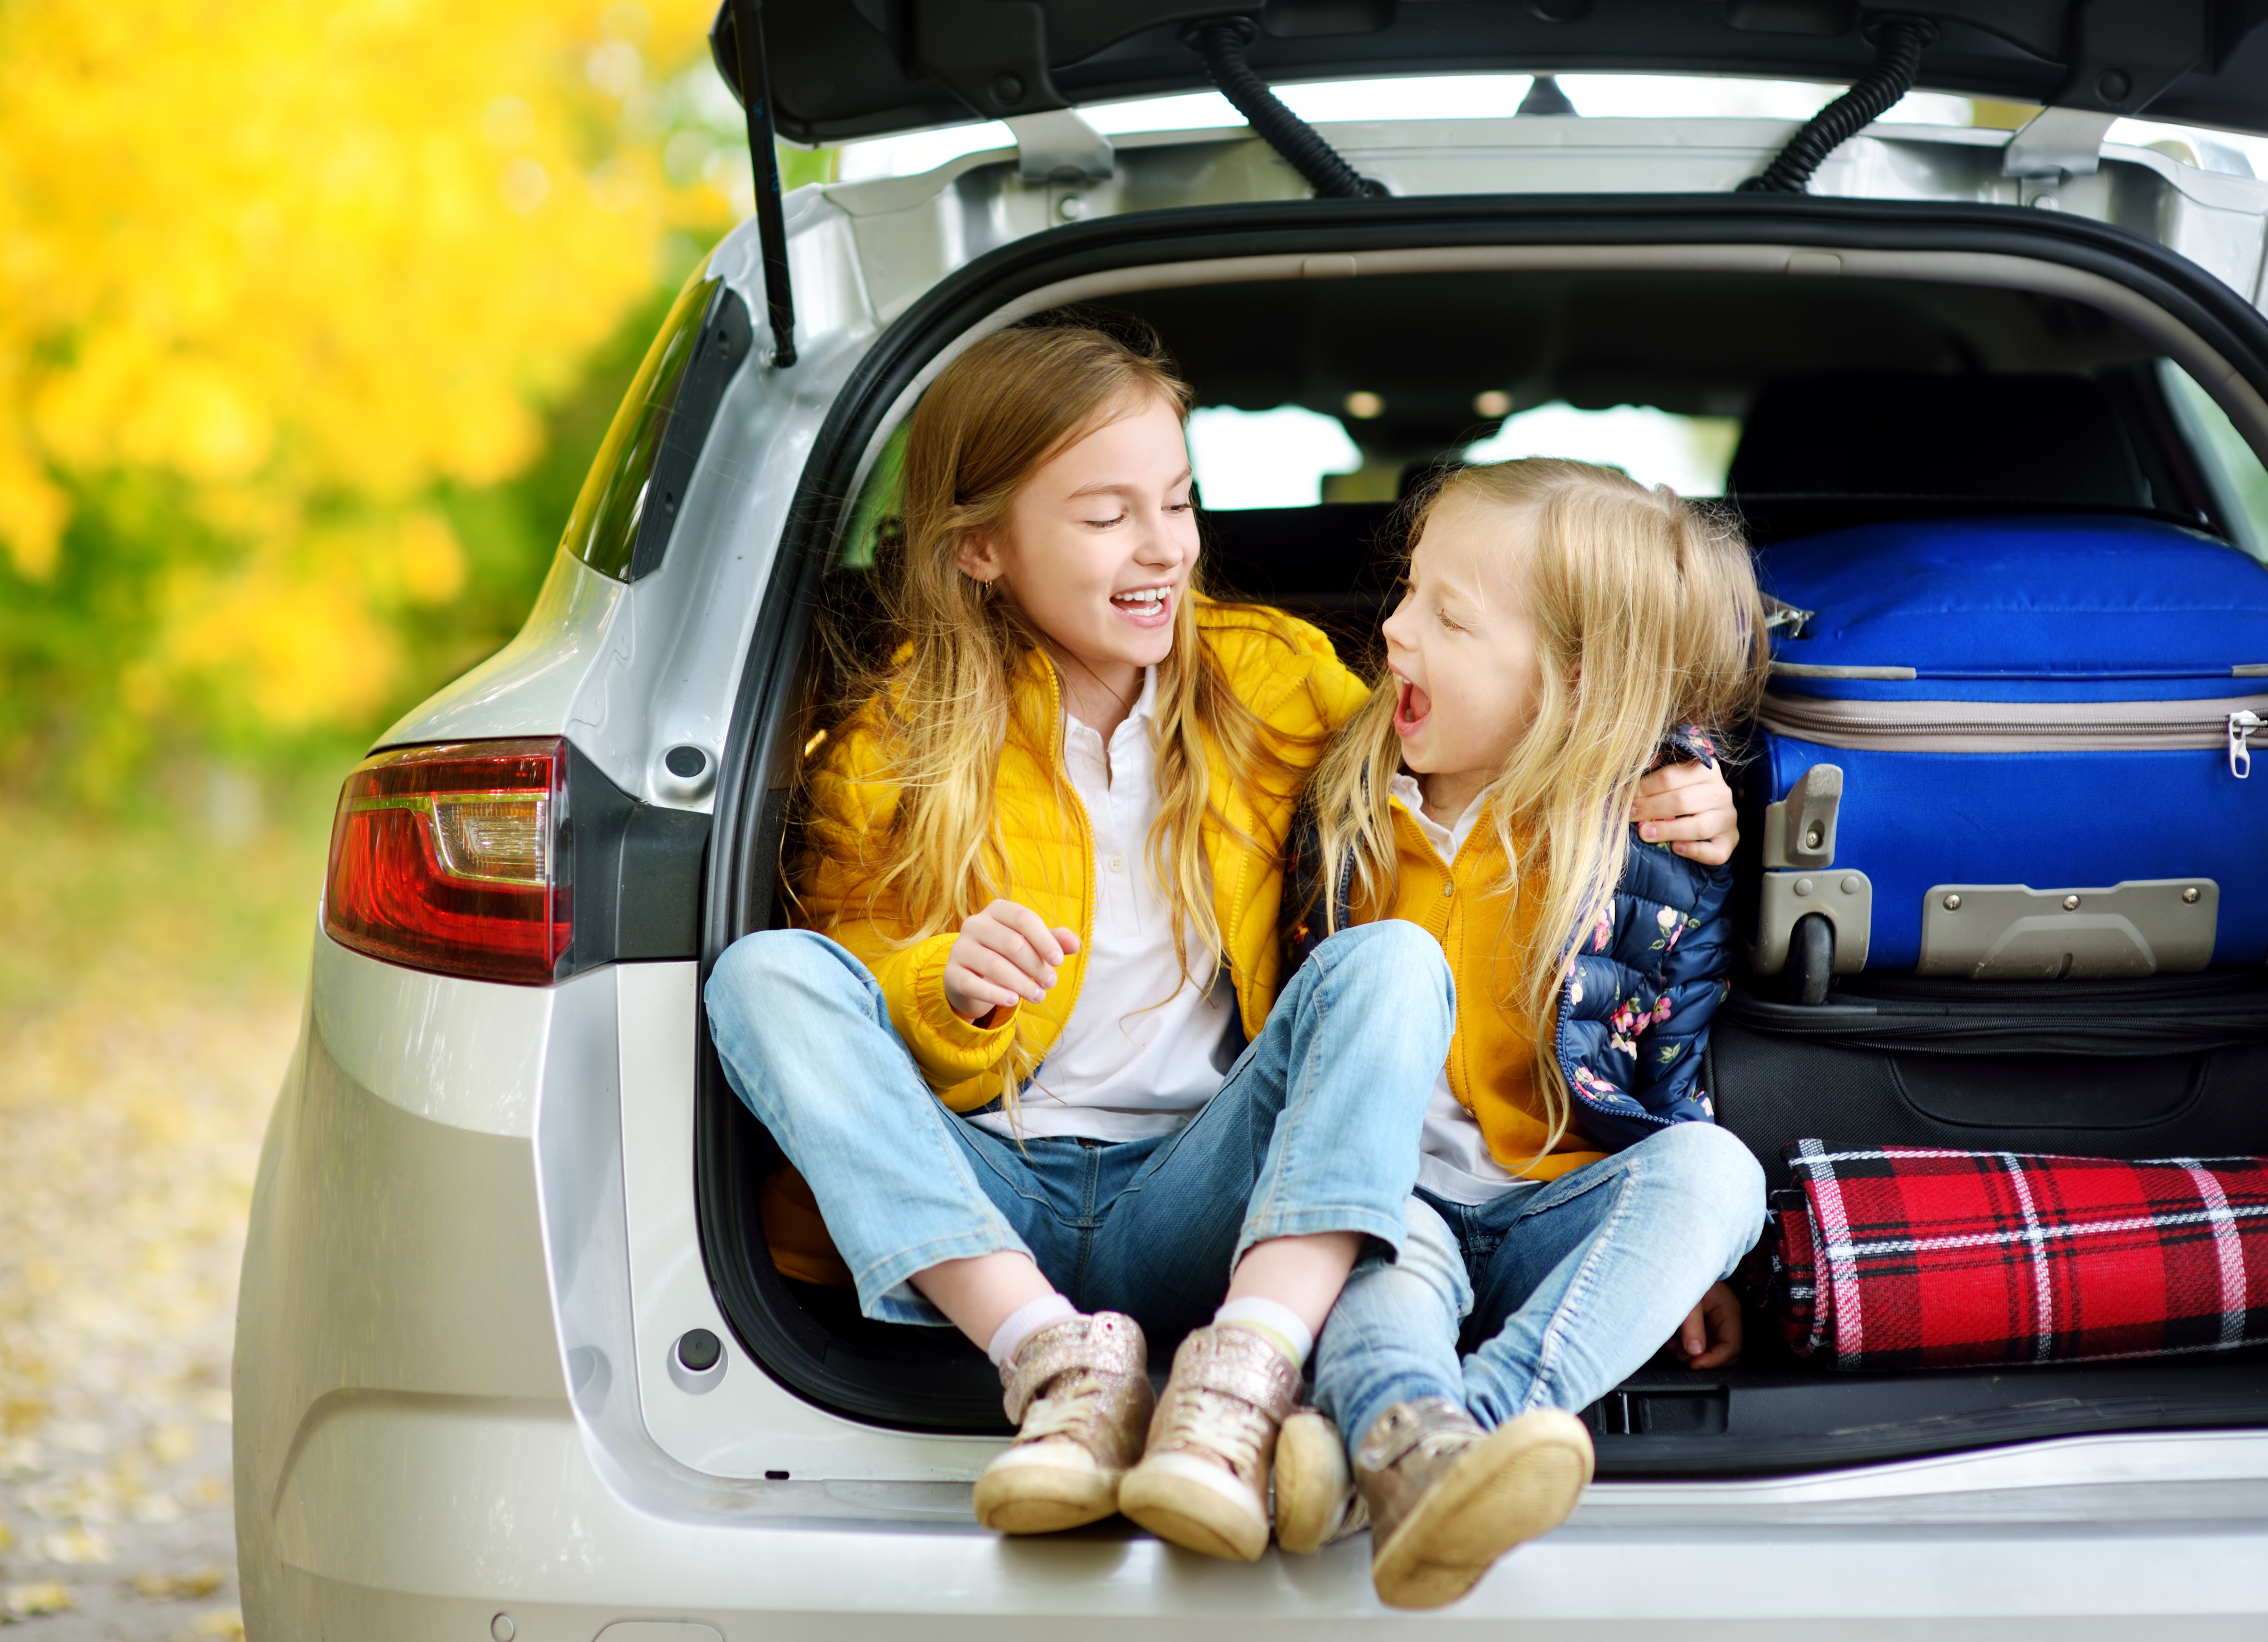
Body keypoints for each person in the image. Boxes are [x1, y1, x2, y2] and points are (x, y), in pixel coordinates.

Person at [702, 319, 1743, 1562]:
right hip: (984, 1192)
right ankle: (1056, 1369)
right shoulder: (892, 742)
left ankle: (1246, 1376)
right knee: (762, 978)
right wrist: (944, 984)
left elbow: (1489, 738)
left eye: (1181, 502)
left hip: (1207, 1186)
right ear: (981, 546)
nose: (1162, 547)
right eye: (1105, 517)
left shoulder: (1275, 685)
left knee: (1394, 968)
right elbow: (850, 986)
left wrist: (1678, 779)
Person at [1268, 457, 1772, 1608]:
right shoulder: (1347, 804)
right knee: (1369, 1257)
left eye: (1448, 617)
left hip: (1560, 1198)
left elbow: (1667, 1051)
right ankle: (1415, 1439)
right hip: (1394, 1199)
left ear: (1574, 686)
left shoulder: (1653, 832)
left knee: (1718, 1177)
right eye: (1406, 590)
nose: (1392, 629)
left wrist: (1674, 1258)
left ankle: (1443, 1440)